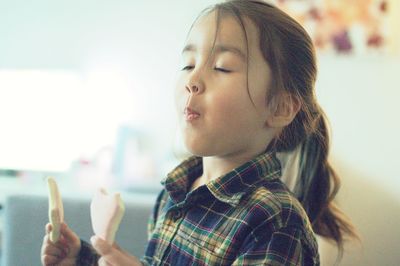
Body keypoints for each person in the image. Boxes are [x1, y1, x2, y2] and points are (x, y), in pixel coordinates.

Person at [41, 0, 357, 265]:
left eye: (222, 67)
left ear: (280, 108)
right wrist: (84, 257)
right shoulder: (175, 192)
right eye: (188, 64)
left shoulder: (274, 220)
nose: (193, 79)